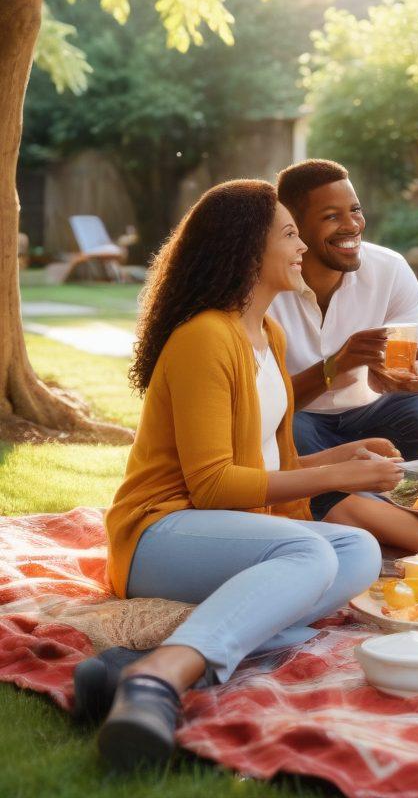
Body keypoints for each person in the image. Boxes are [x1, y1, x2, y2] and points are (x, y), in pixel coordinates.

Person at [81, 180, 401, 770]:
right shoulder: (205, 336)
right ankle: (160, 676)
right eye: (288, 234)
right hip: (163, 532)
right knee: (310, 558)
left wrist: (343, 459)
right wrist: (340, 477)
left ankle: (135, 665)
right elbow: (213, 486)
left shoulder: (268, 334)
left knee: (357, 549)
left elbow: (267, 468)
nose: (302, 245)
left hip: (226, 530)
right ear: (247, 252)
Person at [269, 160, 418, 537]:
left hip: (372, 412)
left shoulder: (388, 269)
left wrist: (404, 377)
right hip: (297, 416)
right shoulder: (268, 279)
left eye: (355, 210)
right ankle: (354, 513)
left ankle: (389, 505)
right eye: (331, 216)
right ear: (293, 227)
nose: (352, 225)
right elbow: (256, 406)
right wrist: (336, 365)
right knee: (289, 434)